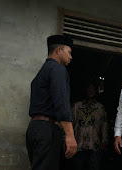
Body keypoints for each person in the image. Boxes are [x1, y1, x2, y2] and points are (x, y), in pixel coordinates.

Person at [26, 35, 77, 170]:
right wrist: (70, 136)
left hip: (35, 128)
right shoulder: (58, 69)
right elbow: (62, 103)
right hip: (47, 130)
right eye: (69, 52)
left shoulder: (42, 72)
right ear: (59, 50)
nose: (71, 57)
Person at [70, 82, 108, 170]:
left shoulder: (100, 107)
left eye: (93, 89)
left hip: (94, 145)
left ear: (96, 91)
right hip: (78, 145)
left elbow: (104, 125)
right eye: (88, 88)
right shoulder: (76, 106)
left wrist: (104, 141)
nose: (90, 91)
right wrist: (67, 139)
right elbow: (70, 123)